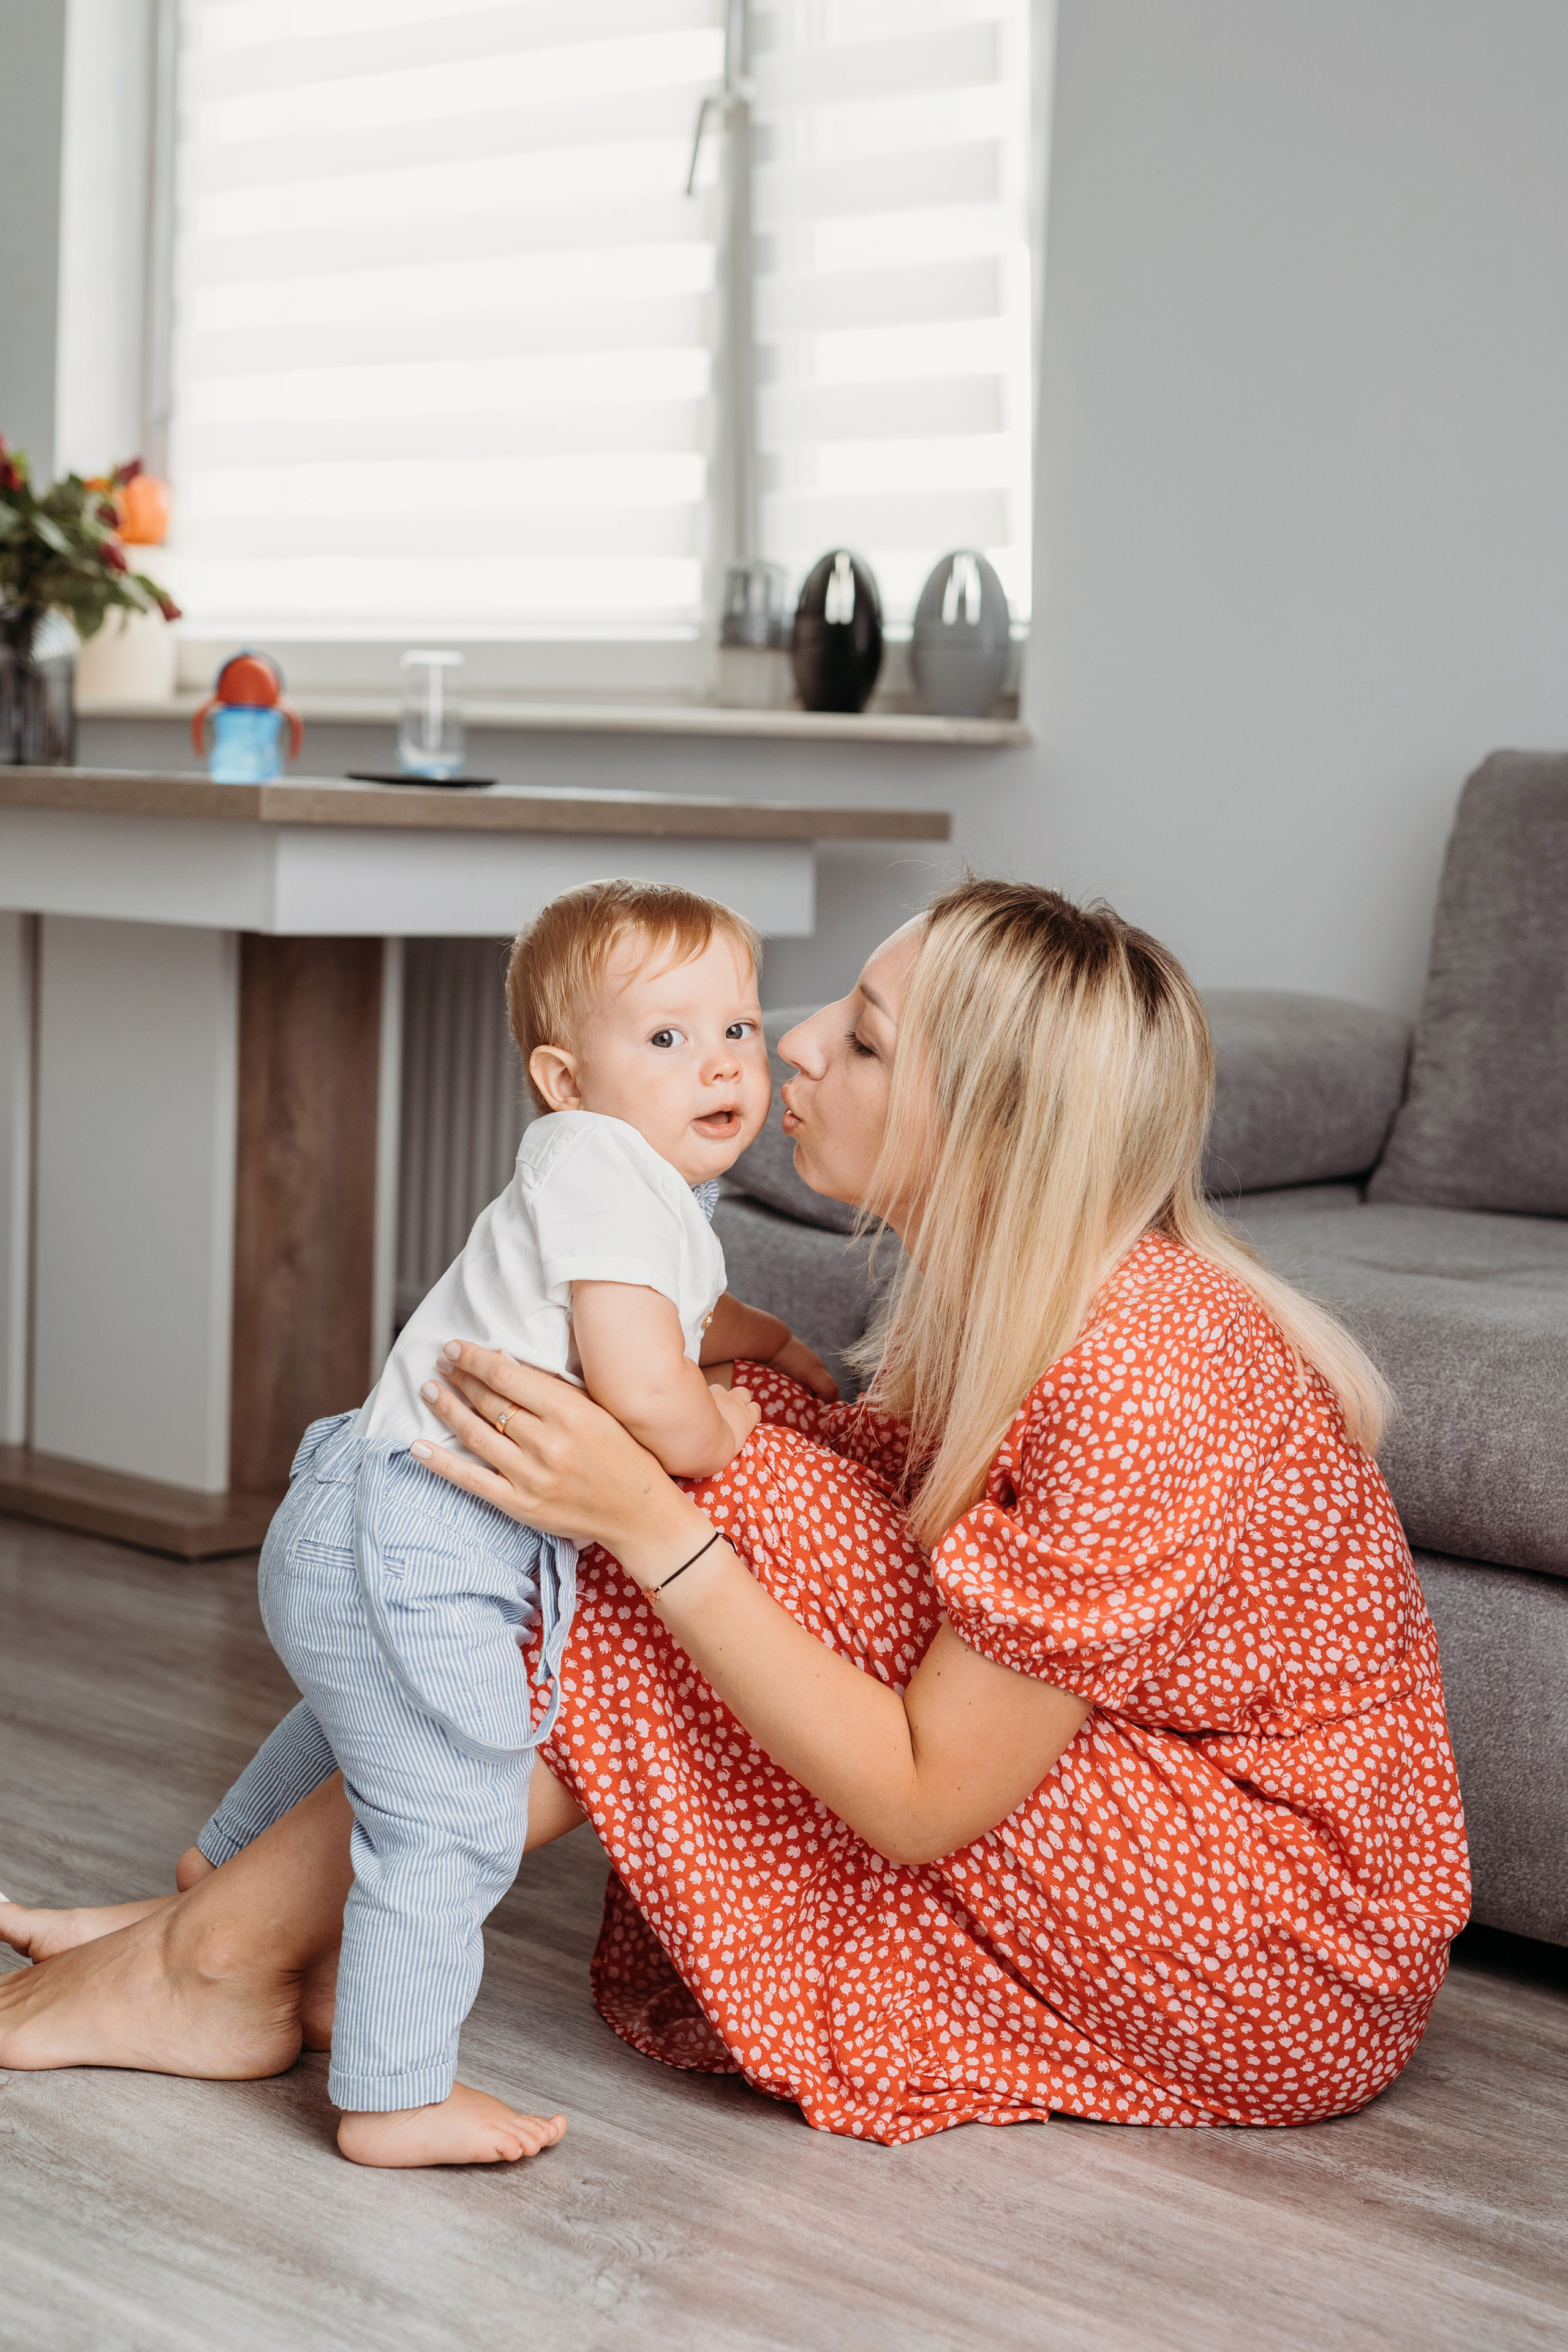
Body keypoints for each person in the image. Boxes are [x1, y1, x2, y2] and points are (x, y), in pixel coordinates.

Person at [0, 880, 1469, 2148]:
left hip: (1268, 1945)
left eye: (869, 1040)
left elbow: (920, 1797)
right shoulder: (1045, 1292)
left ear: (990, 1131)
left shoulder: (1142, 1371)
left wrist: (646, 1517)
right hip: (1158, 1847)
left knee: (708, 1501)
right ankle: (243, 1930)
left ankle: (221, 1952)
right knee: (737, 1468)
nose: (797, 1040)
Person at [137, 878, 833, 2169]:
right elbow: (645, 1388)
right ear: (565, 1080)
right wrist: (730, 1426)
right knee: (453, 1811)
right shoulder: (600, 1168)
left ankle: (225, 1874)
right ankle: (394, 2093)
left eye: (735, 1028)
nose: (719, 1063)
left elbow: (683, 1319)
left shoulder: (645, 1197)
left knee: (367, 1723)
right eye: (666, 1038)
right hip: (415, 1538)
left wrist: (779, 1344)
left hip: (382, 1525)